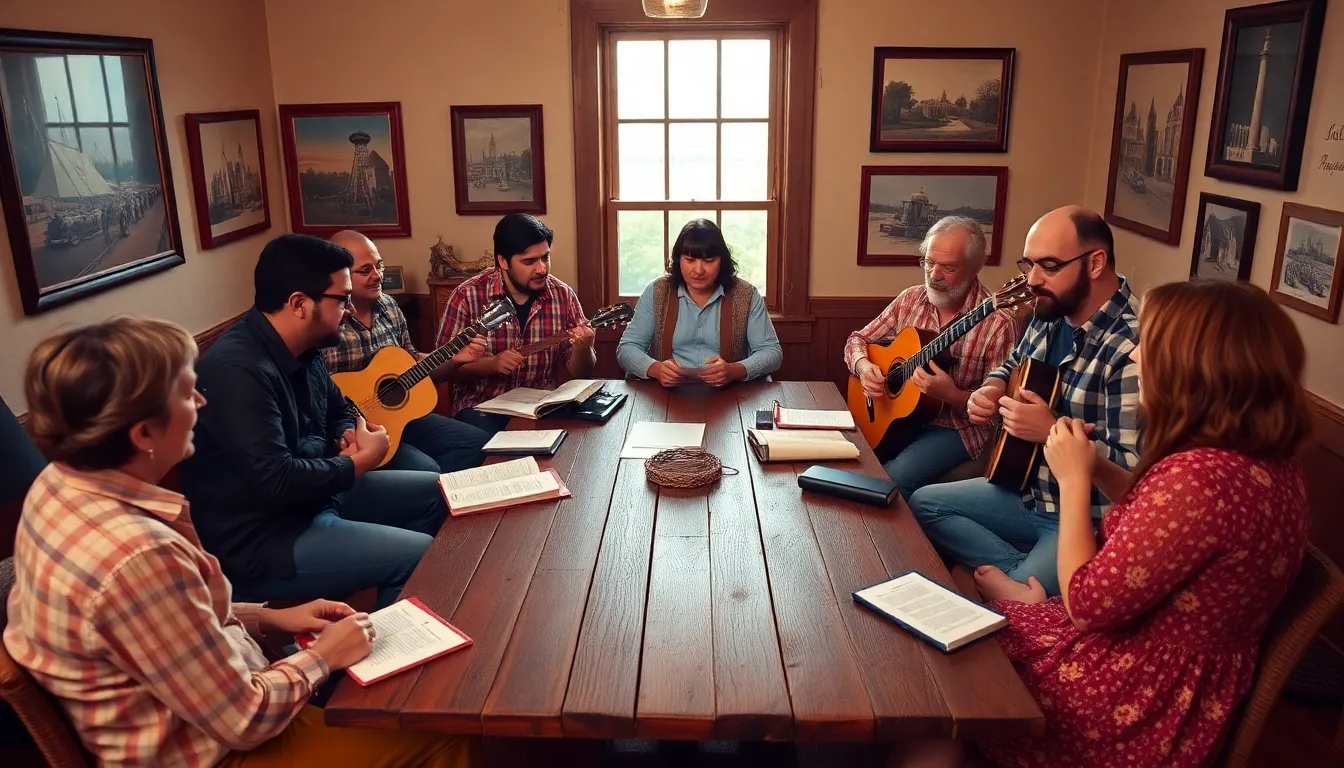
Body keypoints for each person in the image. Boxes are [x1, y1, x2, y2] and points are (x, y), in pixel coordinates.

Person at [4, 316, 476, 767]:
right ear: (144, 432)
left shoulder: (56, 490)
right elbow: (243, 719)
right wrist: (320, 657)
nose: (202, 404)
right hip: (216, 750)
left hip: (207, 702)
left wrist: (268, 616)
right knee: (438, 727)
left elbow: (165, 623)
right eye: (188, 393)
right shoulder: (136, 556)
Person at [903, 280, 1313, 768]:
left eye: (1152, 345)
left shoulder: (1200, 482)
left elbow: (1087, 607)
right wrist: (1096, 466)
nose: (1137, 356)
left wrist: (1076, 480)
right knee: (960, 629)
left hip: (1132, 700)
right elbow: (1155, 521)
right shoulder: (1263, 463)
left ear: (1200, 371)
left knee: (949, 671)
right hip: (1148, 652)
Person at [180, 234, 449, 610]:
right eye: (342, 300)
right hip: (269, 539)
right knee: (418, 554)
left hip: (316, 497)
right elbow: (279, 480)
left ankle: (382, 603)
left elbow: (342, 408)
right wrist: (358, 462)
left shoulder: (308, 346)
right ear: (299, 304)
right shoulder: (236, 371)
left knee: (439, 492)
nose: (351, 311)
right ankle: (387, 649)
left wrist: (345, 433)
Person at [907, 206, 1141, 599]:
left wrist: (1052, 432)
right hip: (1025, 491)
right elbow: (1017, 361)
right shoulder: (1051, 310)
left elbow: (1134, 486)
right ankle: (1015, 578)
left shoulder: (1133, 349)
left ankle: (1012, 586)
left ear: (1096, 263)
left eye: (1048, 266)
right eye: (1028, 264)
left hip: (1080, 517)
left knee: (1012, 609)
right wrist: (993, 387)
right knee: (922, 503)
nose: (1032, 280)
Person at [843, 216, 1020, 500]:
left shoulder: (998, 324)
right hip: (895, 417)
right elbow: (858, 339)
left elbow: (998, 409)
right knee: (852, 460)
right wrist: (864, 368)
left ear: (974, 269)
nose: (934, 274)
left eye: (948, 267)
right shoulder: (910, 299)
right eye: (928, 262)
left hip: (956, 429)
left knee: (894, 477)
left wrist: (953, 395)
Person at [324, 229, 489, 473]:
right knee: (427, 470)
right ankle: (427, 496)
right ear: (339, 276)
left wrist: (454, 360)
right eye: (364, 270)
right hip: (352, 433)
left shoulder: (389, 307)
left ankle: (440, 501)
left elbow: (412, 369)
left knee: (477, 443)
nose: (377, 276)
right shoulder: (326, 321)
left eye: (379, 266)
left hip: (399, 419)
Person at [438, 214, 596, 436]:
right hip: (481, 407)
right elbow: (443, 369)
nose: (542, 269)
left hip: (540, 407)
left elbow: (582, 373)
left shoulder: (563, 295)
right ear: (503, 261)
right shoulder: (467, 295)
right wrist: (490, 364)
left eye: (545, 257)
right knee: (480, 450)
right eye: (529, 261)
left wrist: (583, 348)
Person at [617, 218, 782, 386]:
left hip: (732, 394)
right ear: (678, 259)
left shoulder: (746, 294)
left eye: (709, 261)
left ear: (722, 261)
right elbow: (627, 348)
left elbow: (772, 352)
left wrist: (733, 371)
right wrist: (657, 369)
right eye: (689, 260)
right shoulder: (657, 291)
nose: (699, 270)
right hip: (667, 395)